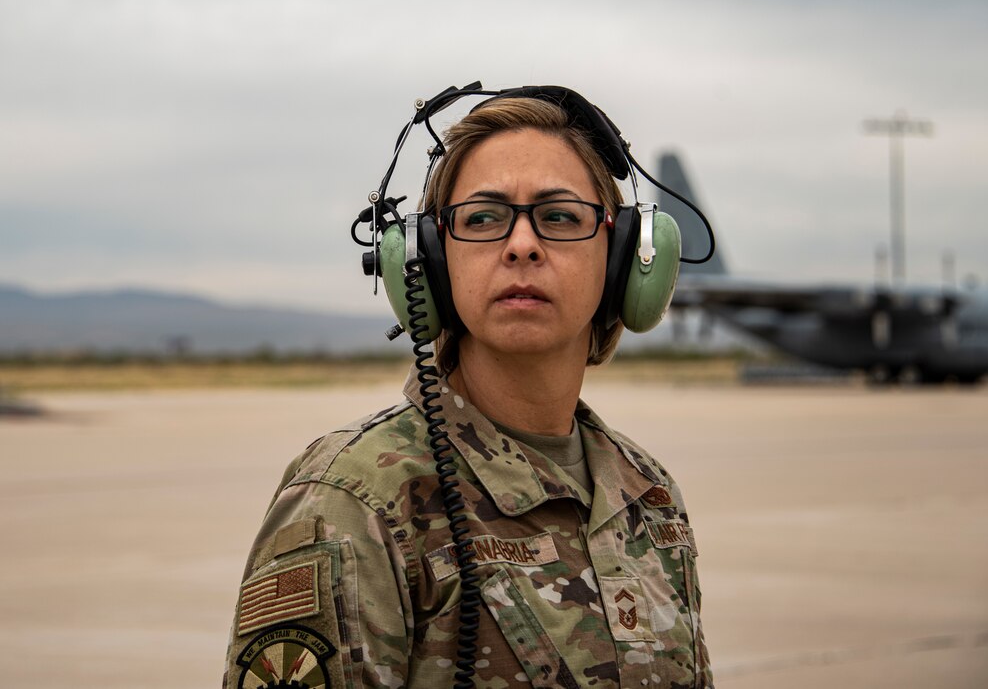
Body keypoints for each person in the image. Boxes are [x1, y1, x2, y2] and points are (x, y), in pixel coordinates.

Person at [223, 87, 714, 688]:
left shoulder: (649, 495)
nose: (523, 245)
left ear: (622, 258)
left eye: (560, 216)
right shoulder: (356, 502)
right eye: (483, 218)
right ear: (428, 260)